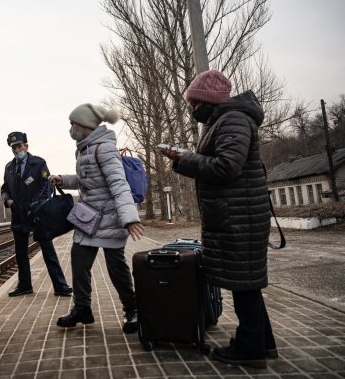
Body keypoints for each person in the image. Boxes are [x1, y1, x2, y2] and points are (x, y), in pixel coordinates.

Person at [159, 70, 276, 369]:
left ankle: (250, 350)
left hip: (240, 216)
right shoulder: (223, 121)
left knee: (243, 284)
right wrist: (184, 157)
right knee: (245, 282)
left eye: (194, 103)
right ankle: (262, 344)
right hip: (236, 213)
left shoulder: (233, 119)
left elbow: (226, 167)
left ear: (208, 100)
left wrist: (183, 159)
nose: (192, 109)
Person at [50, 104, 144, 334]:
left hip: (111, 216)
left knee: (115, 267)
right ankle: (82, 309)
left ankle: (133, 310)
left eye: (73, 124)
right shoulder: (83, 149)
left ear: (84, 125)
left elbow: (118, 183)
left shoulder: (104, 149)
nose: (70, 129)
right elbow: (87, 181)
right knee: (79, 261)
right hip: (88, 216)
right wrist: (64, 180)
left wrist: (129, 218)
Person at [1, 131, 72, 297]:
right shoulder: (9, 168)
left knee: (48, 250)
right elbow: (4, 188)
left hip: (37, 214)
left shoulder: (39, 163)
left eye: (19, 146)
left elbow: (46, 187)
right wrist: (7, 201)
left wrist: (35, 204)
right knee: (20, 253)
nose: (17, 149)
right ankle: (24, 285)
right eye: (14, 147)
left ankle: (60, 286)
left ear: (26, 146)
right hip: (18, 214)